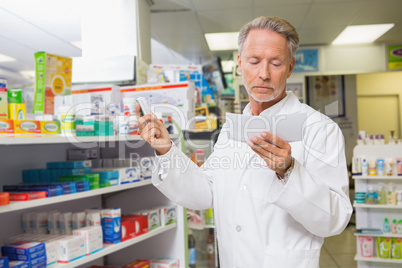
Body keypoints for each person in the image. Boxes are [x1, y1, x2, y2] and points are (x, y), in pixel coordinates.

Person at [136, 16, 353, 268]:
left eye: (276, 63)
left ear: (290, 67)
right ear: (239, 63)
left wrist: (289, 171)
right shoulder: (233, 130)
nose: (263, 74)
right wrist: (166, 150)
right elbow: (206, 193)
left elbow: (335, 220)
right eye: (254, 61)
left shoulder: (319, 129)